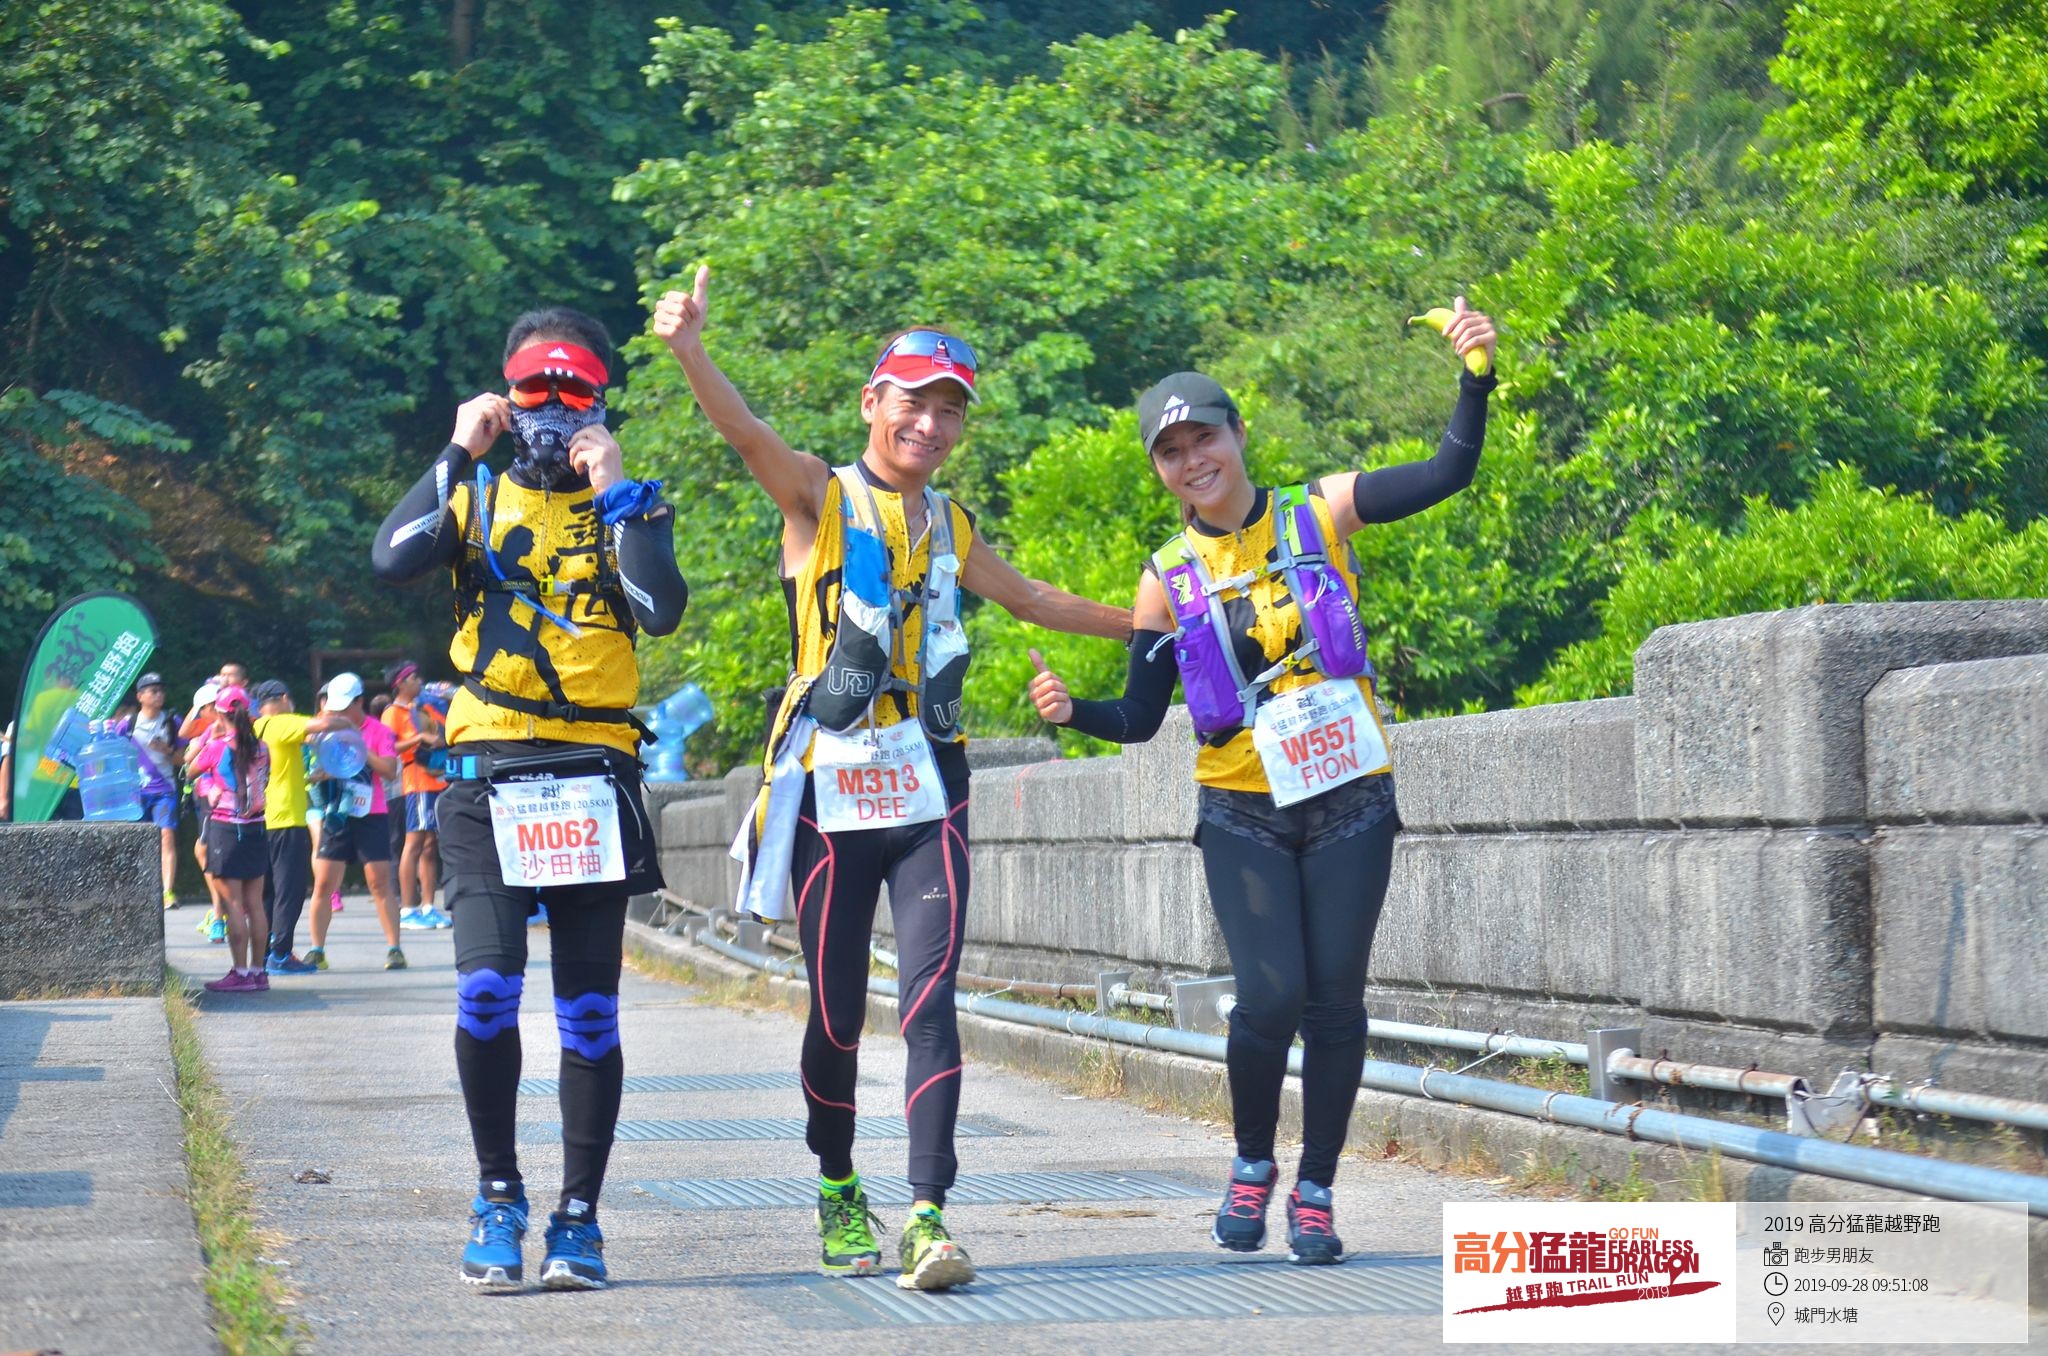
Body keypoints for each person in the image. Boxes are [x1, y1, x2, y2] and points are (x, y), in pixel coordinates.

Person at [656, 269, 1129, 1290]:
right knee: (835, 1014)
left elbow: (1033, 599)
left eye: (949, 409)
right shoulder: (818, 499)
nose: (930, 423)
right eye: (914, 401)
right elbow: (744, 435)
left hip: (927, 785)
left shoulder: (950, 525)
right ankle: (837, 1185)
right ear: (873, 401)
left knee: (930, 1001)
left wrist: (1150, 623)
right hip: (828, 786)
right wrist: (691, 350)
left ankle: (927, 1215)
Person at [1024, 300, 1498, 1265]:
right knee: (1270, 995)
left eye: (1204, 438)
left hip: (1350, 797)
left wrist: (1475, 376)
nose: (1192, 460)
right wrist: (1072, 713)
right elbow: (1141, 719)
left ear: (1239, 434)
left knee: (1336, 1002)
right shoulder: (1166, 577)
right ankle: (1252, 1162)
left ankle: (1316, 1187)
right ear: (1159, 471)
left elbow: (1449, 471)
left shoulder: (1322, 510)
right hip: (1241, 808)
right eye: (1171, 453)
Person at [371, 305, 686, 1293]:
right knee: (486, 988)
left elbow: (659, 611)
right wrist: (456, 449)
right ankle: (497, 1194)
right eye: (534, 390)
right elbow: (393, 558)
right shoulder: (470, 494)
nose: (553, 408)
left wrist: (615, 487)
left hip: (592, 776)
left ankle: (579, 1218)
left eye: (573, 390)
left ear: (600, 400)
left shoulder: (633, 505)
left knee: (588, 1012)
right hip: (486, 772)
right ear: (506, 396)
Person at [304, 673, 407, 970]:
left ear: (360, 702)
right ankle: (316, 950)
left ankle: (394, 949)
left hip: (371, 813)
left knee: (379, 883)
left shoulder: (379, 731)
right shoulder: (327, 728)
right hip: (337, 812)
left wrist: (359, 744)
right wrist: (319, 773)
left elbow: (389, 771)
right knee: (324, 883)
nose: (338, 714)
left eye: (344, 708)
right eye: (334, 708)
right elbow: (318, 762)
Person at [188, 686, 273, 992]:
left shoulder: (216, 747)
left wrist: (207, 741)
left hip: (227, 829)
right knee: (255, 904)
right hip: (257, 827)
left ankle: (240, 972)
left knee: (233, 904)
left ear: (221, 715)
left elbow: (189, 770)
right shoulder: (263, 748)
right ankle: (259, 972)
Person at [249, 680, 319, 975]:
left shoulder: (254, 728)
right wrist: (343, 720)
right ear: (283, 698)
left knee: (266, 891)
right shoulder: (280, 722)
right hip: (287, 818)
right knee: (289, 889)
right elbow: (321, 725)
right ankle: (281, 953)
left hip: (260, 817)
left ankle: (265, 952)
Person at [383, 661, 452, 930]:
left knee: (430, 844)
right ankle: (408, 909)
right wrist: (419, 737)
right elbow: (390, 747)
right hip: (416, 782)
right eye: (413, 678)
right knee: (413, 844)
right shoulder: (392, 712)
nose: (419, 681)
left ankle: (428, 907)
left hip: (435, 779)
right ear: (400, 684)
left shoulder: (422, 706)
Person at [127, 673, 184, 907]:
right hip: (135, 793)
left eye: (161, 690)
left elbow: (184, 759)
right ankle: (139, 892)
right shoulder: (127, 724)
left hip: (164, 790)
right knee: (137, 840)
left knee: (166, 836)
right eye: (153, 691)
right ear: (140, 696)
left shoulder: (173, 721)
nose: (159, 695)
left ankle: (167, 891)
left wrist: (167, 751)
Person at [181, 681, 229, 943]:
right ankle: (220, 911)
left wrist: (200, 746)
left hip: (218, 798)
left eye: (202, 709)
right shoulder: (217, 727)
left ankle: (220, 916)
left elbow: (190, 760)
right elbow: (186, 742)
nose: (200, 715)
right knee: (207, 852)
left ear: (212, 706)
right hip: (212, 797)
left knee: (208, 853)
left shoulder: (219, 729)